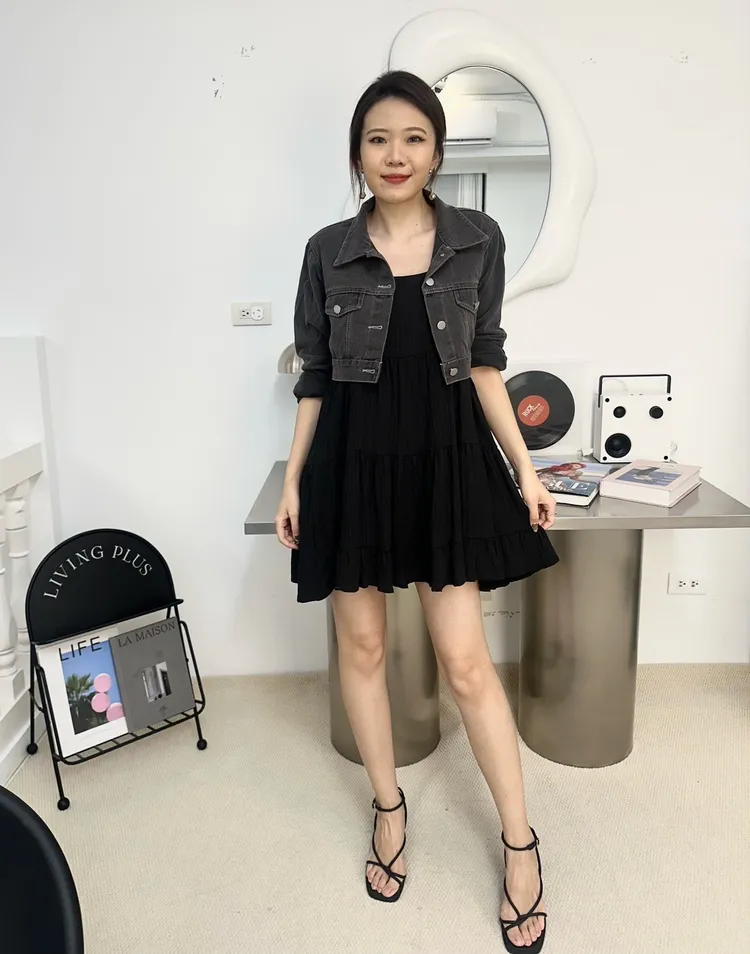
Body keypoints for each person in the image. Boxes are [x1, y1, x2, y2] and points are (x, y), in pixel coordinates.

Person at [275, 70, 558, 952]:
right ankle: (389, 806)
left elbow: (485, 360)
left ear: (436, 152)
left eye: (413, 138)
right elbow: (316, 375)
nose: (394, 155)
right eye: (377, 139)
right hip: (351, 462)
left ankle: (520, 841)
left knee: (465, 661)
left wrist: (526, 470)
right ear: (357, 155)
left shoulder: (477, 239)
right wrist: (293, 481)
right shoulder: (327, 249)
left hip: (445, 459)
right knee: (361, 648)